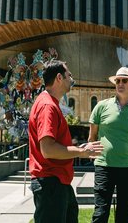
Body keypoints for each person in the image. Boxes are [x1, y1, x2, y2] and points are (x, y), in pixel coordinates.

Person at [29, 59, 103, 223]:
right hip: (50, 183)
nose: (72, 79)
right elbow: (47, 149)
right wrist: (82, 152)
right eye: (69, 75)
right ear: (59, 78)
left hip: (59, 183)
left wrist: (78, 148)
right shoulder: (47, 106)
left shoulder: (50, 103)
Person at [88, 66, 128, 223]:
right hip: (103, 167)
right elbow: (92, 137)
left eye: (124, 80)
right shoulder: (101, 106)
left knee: (124, 215)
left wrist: (125, 155)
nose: (120, 83)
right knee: (100, 214)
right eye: (118, 80)